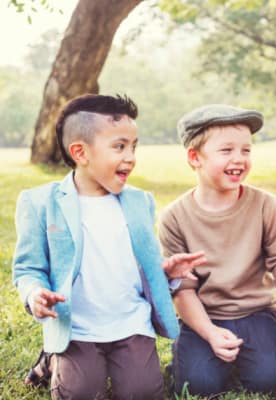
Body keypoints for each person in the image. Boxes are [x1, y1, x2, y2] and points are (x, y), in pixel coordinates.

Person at [12, 93, 206, 400]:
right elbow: (28, 268)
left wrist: (168, 272)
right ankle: (53, 358)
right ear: (80, 152)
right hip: (77, 329)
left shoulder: (140, 201)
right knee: (79, 393)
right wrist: (35, 293)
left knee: (141, 393)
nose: (130, 156)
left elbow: (143, 265)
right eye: (119, 146)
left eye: (133, 146)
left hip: (130, 323)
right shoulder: (40, 203)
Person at [159, 104, 276, 397]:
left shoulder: (264, 205)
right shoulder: (174, 217)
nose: (238, 159)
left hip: (257, 312)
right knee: (199, 385)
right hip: (205, 315)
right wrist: (210, 333)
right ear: (194, 158)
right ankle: (190, 358)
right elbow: (182, 289)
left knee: (274, 381)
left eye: (246, 150)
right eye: (226, 151)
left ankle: (247, 358)